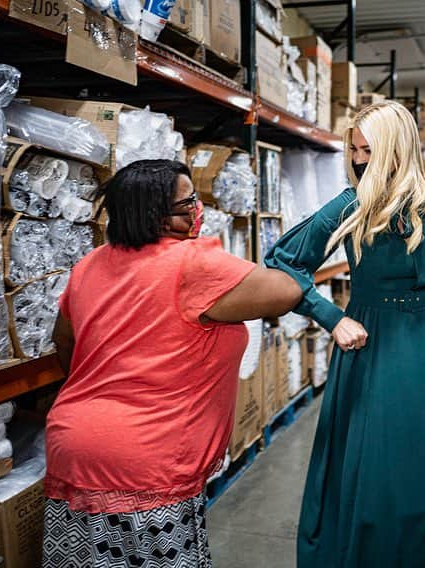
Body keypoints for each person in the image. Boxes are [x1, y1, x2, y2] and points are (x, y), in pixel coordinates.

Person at [265, 101, 425, 567]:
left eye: (370, 149)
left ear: (397, 148)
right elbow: (283, 260)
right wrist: (331, 316)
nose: (360, 160)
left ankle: (423, 554)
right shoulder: (351, 204)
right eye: (355, 149)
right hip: (371, 342)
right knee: (372, 460)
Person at [42, 160, 302, 568]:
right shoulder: (192, 263)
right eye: (188, 203)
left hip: (72, 448)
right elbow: (286, 292)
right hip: (149, 458)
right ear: (155, 216)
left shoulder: (88, 265)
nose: (196, 210)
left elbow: (64, 342)